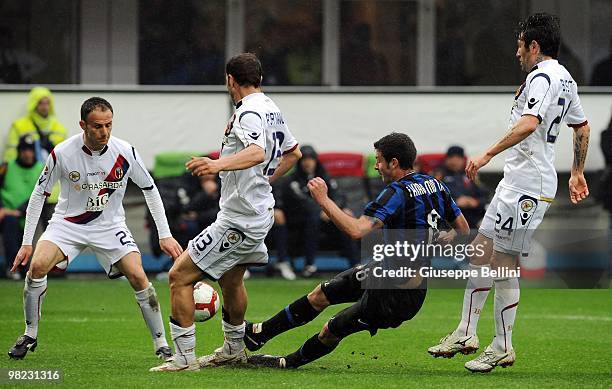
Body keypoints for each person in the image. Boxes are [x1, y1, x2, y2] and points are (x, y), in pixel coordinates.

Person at [428, 13, 591, 373]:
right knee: (481, 254)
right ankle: (465, 332)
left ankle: (502, 345)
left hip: (528, 186)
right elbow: (581, 126)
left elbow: (529, 123)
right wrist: (576, 171)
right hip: (516, 182)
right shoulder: (565, 79)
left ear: (534, 46)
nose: (517, 53)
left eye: (520, 46)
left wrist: (487, 153)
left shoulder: (544, 77)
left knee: (502, 263)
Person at [243, 132, 469, 369]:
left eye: (380, 160)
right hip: (385, 272)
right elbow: (462, 230)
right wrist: (444, 238)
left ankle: (286, 363)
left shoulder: (396, 193)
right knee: (320, 294)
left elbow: (357, 230)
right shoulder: (435, 185)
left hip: (396, 295)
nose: (378, 166)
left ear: (394, 162)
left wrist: (323, 200)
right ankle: (259, 334)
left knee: (330, 330)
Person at [150, 53, 301, 372]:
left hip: (240, 219)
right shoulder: (272, 108)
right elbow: (293, 153)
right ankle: (233, 350)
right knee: (232, 280)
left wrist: (217, 164)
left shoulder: (248, 112)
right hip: (258, 212)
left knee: (179, 276)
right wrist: (264, 179)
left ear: (230, 79)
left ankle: (183, 358)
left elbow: (258, 151)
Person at [7, 97, 183, 362]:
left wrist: (165, 234)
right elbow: (38, 194)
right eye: (98, 126)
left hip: (110, 226)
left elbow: (150, 189)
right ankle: (30, 333)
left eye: (109, 125)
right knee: (37, 267)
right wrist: (27, 242)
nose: (105, 132)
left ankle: (161, 343)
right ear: (83, 125)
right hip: (68, 224)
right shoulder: (62, 153)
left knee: (138, 276)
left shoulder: (124, 152)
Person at [273, 145, 358, 278]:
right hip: (299, 220)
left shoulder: (323, 176)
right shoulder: (292, 180)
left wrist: (334, 211)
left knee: (345, 219)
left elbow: (339, 196)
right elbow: (303, 202)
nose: (308, 162)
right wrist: (326, 209)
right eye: (304, 159)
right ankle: (309, 265)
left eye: (311, 159)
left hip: (323, 217)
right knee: (313, 218)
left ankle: (355, 265)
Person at [4, 87, 68, 228]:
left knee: (52, 233)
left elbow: (66, 160)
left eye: (47, 103)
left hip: (53, 191)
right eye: (40, 103)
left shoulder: (59, 128)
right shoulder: (20, 126)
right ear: (33, 104)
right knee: (24, 235)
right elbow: (10, 159)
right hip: (28, 188)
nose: (44, 107)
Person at [0, 136, 44, 279]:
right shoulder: (6, 166)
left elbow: (42, 193)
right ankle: (12, 268)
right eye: (24, 150)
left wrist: (21, 210)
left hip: (27, 213)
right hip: (5, 214)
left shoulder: (41, 169)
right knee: (10, 222)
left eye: (30, 150)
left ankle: (24, 267)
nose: (27, 154)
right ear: (19, 151)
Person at [434, 146, 487, 228]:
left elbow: (485, 196)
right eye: (451, 157)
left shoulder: (469, 174)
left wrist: (475, 202)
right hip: (450, 221)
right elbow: (434, 198)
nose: (455, 161)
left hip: (473, 220)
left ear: (463, 159)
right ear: (446, 159)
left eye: (458, 158)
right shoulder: (439, 176)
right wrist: (456, 202)